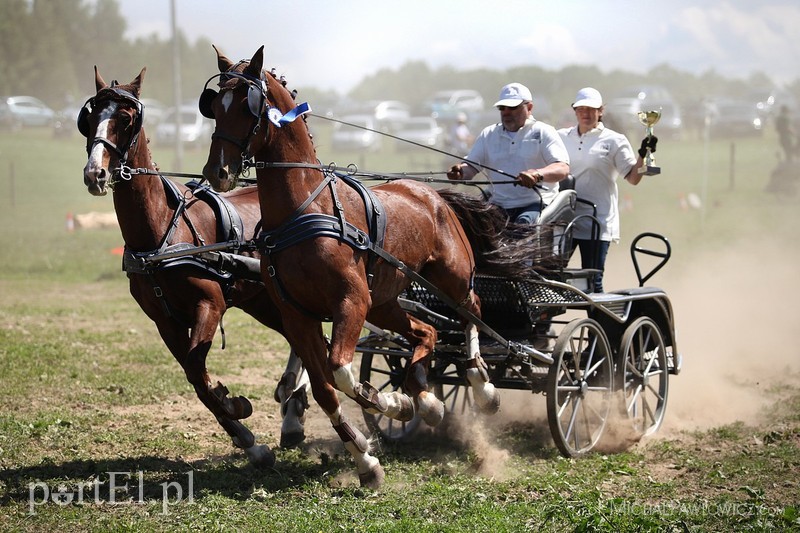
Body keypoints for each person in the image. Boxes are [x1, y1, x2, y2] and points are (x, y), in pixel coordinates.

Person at [557, 87, 656, 293]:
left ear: (601, 111)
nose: (585, 113)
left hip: (597, 221)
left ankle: (598, 324)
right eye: (581, 109)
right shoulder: (560, 137)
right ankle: (544, 325)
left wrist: (644, 154)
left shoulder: (614, 140)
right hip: (564, 220)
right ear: (574, 111)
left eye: (591, 109)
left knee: (592, 282)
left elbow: (633, 177)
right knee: (551, 277)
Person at [447, 82, 570, 225]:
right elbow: (471, 167)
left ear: (529, 107)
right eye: (502, 108)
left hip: (536, 204)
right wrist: (460, 172)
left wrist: (537, 174)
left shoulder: (543, 132)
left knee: (523, 223)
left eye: (512, 108)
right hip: (498, 205)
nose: (506, 112)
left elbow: (562, 168)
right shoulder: (489, 134)